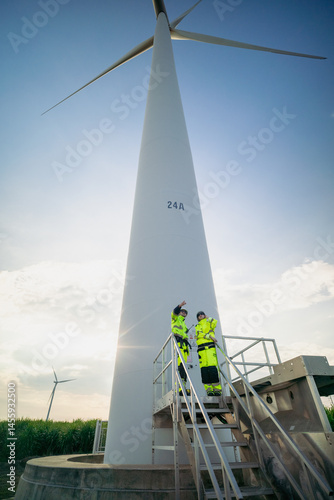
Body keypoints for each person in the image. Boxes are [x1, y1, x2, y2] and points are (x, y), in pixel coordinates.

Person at [195, 311, 222, 396]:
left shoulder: (209, 322)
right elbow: (199, 334)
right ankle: (209, 390)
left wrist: (208, 318)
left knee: (213, 368)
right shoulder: (197, 326)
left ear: (204, 315)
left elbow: (215, 322)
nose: (200, 315)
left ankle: (217, 390)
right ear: (197, 318)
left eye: (202, 314)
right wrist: (209, 336)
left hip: (210, 347)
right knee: (204, 370)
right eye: (199, 315)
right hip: (201, 349)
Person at [171, 300, 191, 395]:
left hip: (184, 347)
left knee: (184, 368)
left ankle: (183, 388)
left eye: (185, 313)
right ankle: (178, 389)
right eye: (182, 311)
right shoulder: (175, 319)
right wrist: (179, 305)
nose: (184, 313)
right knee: (179, 367)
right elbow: (174, 312)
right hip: (179, 344)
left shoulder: (184, 324)